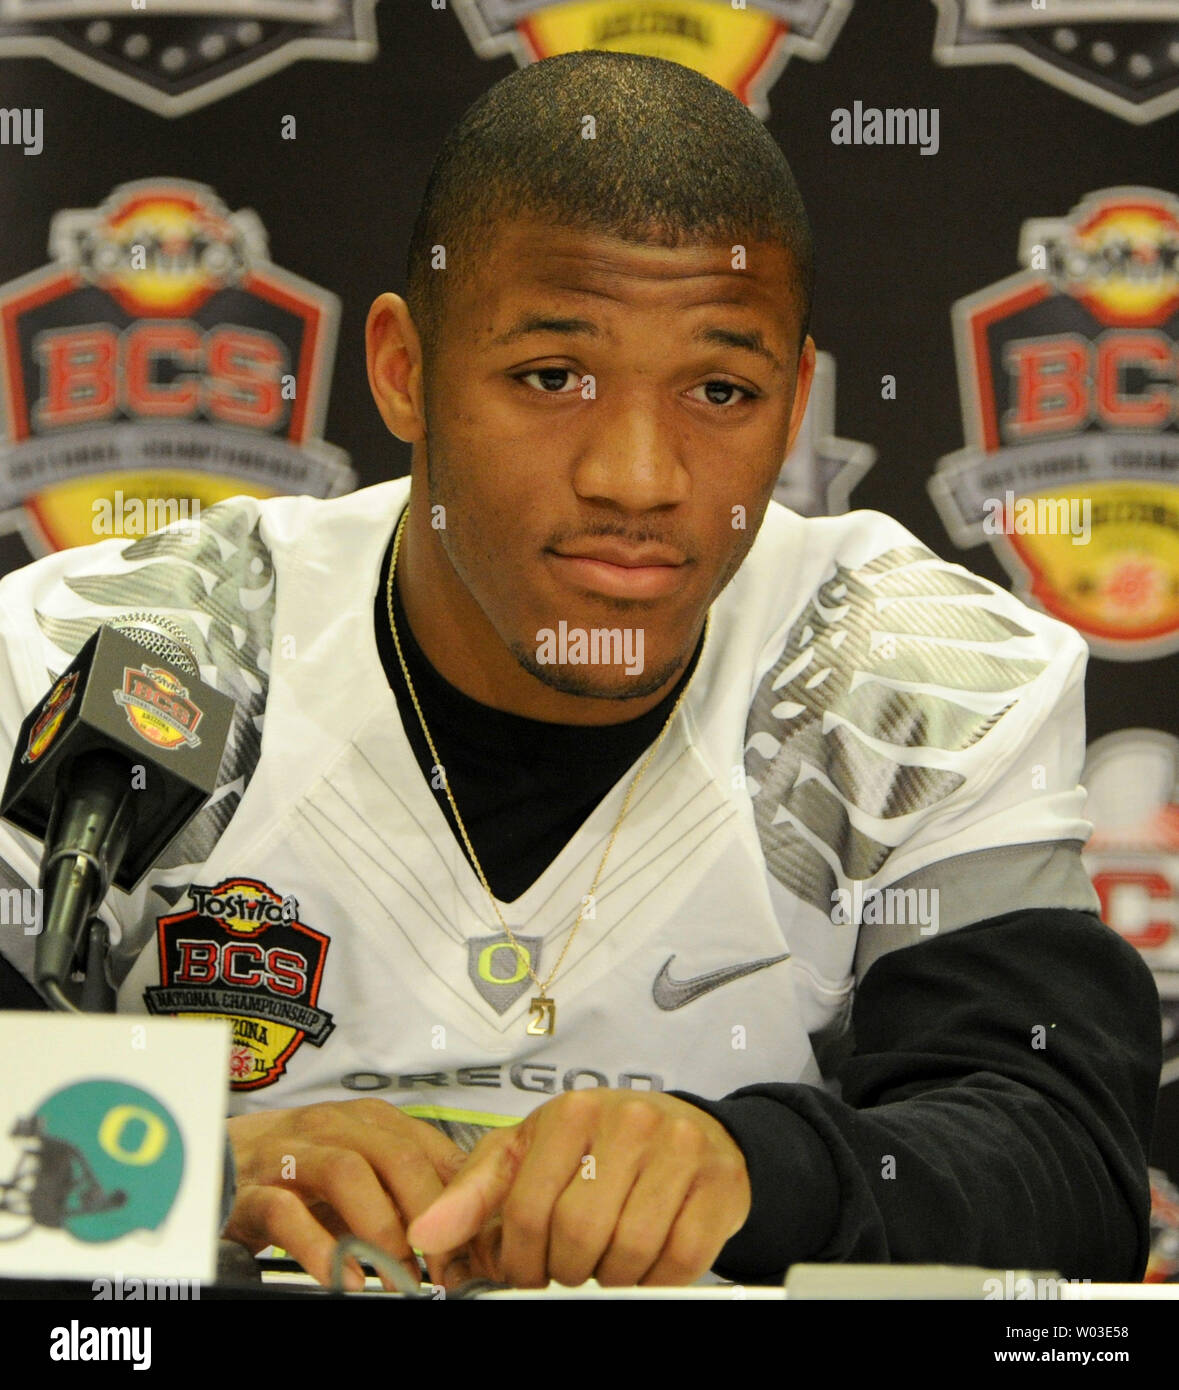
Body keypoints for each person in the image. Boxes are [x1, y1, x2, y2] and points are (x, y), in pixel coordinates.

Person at [0, 50, 1161, 1293]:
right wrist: (202, 1171)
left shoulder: (920, 674)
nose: (637, 475)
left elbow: (1060, 1158)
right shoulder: (128, 643)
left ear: (792, 407)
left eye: (721, 388)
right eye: (552, 377)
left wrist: (751, 1164)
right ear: (405, 368)